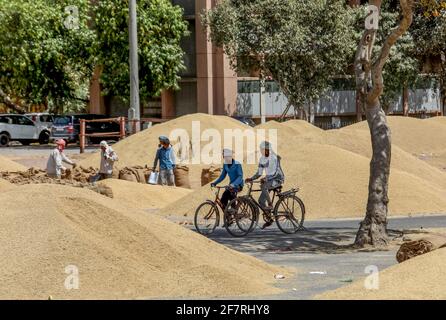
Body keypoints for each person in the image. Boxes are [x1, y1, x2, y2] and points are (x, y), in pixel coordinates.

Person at [246, 141, 284, 229]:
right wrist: (251, 178)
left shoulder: (273, 158)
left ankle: (270, 204)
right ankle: (269, 218)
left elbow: (275, 173)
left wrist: (266, 179)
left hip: (277, 179)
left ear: (268, 149)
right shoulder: (262, 159)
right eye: (261, 149)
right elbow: (259, 173)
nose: (262, 151)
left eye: (263, 149)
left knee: (263, 186)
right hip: (269, 180)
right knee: (260, 201)